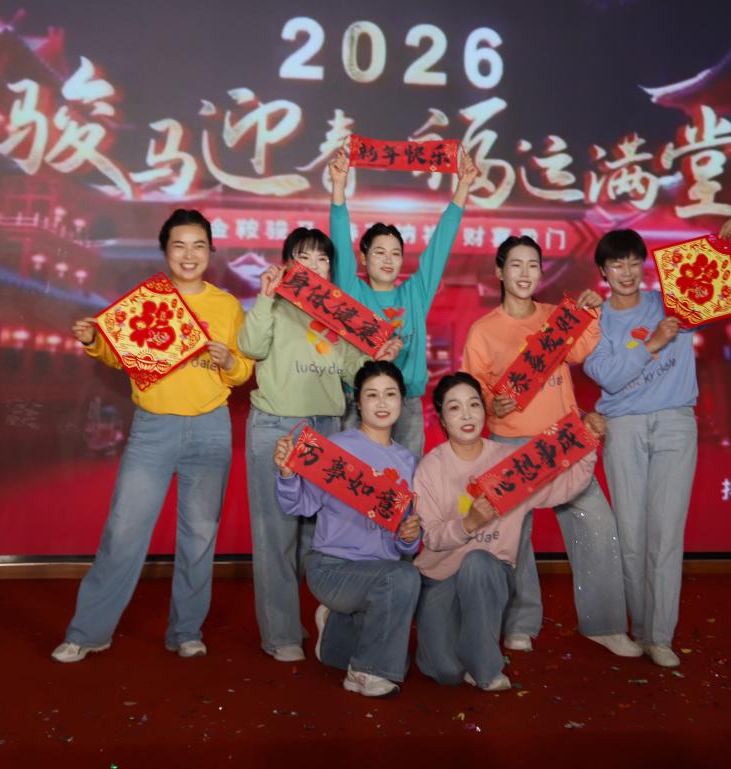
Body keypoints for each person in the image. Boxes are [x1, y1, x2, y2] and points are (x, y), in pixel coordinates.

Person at [51, 209, 253, 663]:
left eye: (198, 246)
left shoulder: (226, 306)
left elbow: (243, 370)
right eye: (179, 245)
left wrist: (228, 361)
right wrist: (93, 340)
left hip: (210, 428)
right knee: (123, 530)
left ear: (210, 252)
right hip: (153, 428)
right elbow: (119, 354)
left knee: (199, 537)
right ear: (165, 251)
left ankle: (186, 631)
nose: (189, 255)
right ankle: (88, 632)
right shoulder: (149, 299)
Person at [583, 220, 731, 668]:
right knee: (632, 536)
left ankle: (660, 636)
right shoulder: (595, 320)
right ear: (603, 271)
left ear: (643, 265)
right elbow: (608, 376)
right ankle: (639, 628)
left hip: (676, 422)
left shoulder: (673, 301)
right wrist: (653, 343)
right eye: (616, 264)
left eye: (633, 262)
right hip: (624, 428)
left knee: (666, 533)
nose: (626, 272)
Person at [461, 235, 638, 657]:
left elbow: (583, 349)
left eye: (533, 265)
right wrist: (490, 402)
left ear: (542, 272)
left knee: (597, 525)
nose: (525, 273)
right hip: (511, 442)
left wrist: (588, 313)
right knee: (514, 539)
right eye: (516, 265)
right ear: (500, 271)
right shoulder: (483, 330)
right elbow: (474, 387)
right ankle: (520, 623)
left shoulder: (556, 317)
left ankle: (605, 624)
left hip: (563, 441)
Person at [238, 228, 401, 663]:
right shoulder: (273, 305)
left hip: (328, 428)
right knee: (276, 535)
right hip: (277, 426)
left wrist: (379, 357)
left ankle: (329, 613)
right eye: (303, 257)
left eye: (322, 259)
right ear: (287, 264)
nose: (313, 267)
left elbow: (352, 371)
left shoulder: (338, 314)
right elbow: (249, 346)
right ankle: (282, 634)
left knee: (324, 536)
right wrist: (265, 298)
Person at [413, 372, 599, 691]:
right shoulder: (431, 467)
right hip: (440, 577)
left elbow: (563, 487)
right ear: (442, 419)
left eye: (474, 404)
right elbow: (431, 537)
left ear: (484, 411)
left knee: (477, 562)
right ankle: (451, 638)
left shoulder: (508, 461)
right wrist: (469, 523)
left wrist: (589, 443)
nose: (467, 415)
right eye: (455, 408)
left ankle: (486, 668)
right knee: (445, 673)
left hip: (488, 572)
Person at [273, 361, 421, 697]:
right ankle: (365, 672)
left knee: (398, 658)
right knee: (402, 580)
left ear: (401, 400)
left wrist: (411, 535)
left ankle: (336, 630)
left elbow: (407, 543)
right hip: (333, 568)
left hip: (380, 570)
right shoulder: (337, 449)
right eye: (372, 395)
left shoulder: (409, 462)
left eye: (390, 394)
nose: (381, 403)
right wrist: (287, 473)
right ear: (358, 402)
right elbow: (298, 506)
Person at [327, 146, 479, 458]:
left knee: (407, 481)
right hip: (358, 401)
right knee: (356, 479)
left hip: (407, 403)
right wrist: (338, 187)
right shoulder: (352, 292)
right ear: (364, 258)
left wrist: (463, 186)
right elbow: (339, 241)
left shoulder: (415, 294)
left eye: (395, 253)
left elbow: (440, 246)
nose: (388, 260)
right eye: (379, 252)